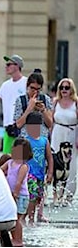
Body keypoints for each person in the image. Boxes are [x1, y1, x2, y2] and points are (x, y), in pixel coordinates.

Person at [50, 78, 78, 206]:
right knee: (56, 164)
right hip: (57, 133)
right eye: (61, 88)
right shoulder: (55, 102)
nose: (64, 90)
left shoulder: (75, 103)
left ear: (71, 89)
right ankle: (57, 195)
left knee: (71, 165)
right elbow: (51, 121)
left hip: (71, 133)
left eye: (66, 87)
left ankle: (69, 195)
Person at [0, 138, 31, 247]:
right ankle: (15, 238)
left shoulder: (23, 166)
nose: (12, 151)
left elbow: (19, 182)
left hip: (20, 196)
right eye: (12, 149)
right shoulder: (9, 162)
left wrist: (15, 195)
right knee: (12, 218)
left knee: (17, 219)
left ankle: (19, 240)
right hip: (11, 194)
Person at [23, 112, 53, 226]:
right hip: (29, 174)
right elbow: (17, 158)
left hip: (40, 174)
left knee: (38, 197)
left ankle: (30, 216)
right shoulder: (25, 141)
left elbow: (49, 158)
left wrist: (50, 173)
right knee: (32, 196)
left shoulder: (44, 141)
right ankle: (30, 219)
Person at [13, 69, 53, 139]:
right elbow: (18, 124)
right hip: (26, 139)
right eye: (32, 88)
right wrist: (29, 109)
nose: (35, 92)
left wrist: (43, 111)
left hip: (41, 140)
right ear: (27, 86)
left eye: (38, 89)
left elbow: (50, 124)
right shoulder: (20, 100)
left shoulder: (45, 99)